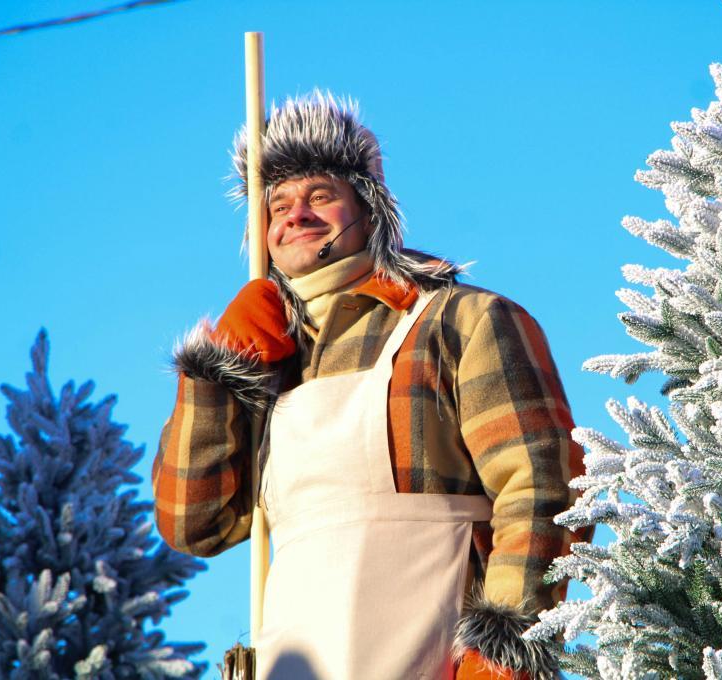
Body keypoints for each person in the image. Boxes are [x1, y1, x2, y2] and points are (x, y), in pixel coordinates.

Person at [152, 90, 590, 680]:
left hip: (431, 655)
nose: (295, 215)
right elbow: (193, 524)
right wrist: (220, 373)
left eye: (320, 196)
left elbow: (545, 485)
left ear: (370, 209)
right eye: (277, 205)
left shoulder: (460, 320)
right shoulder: (270, 365)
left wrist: (504, 650)